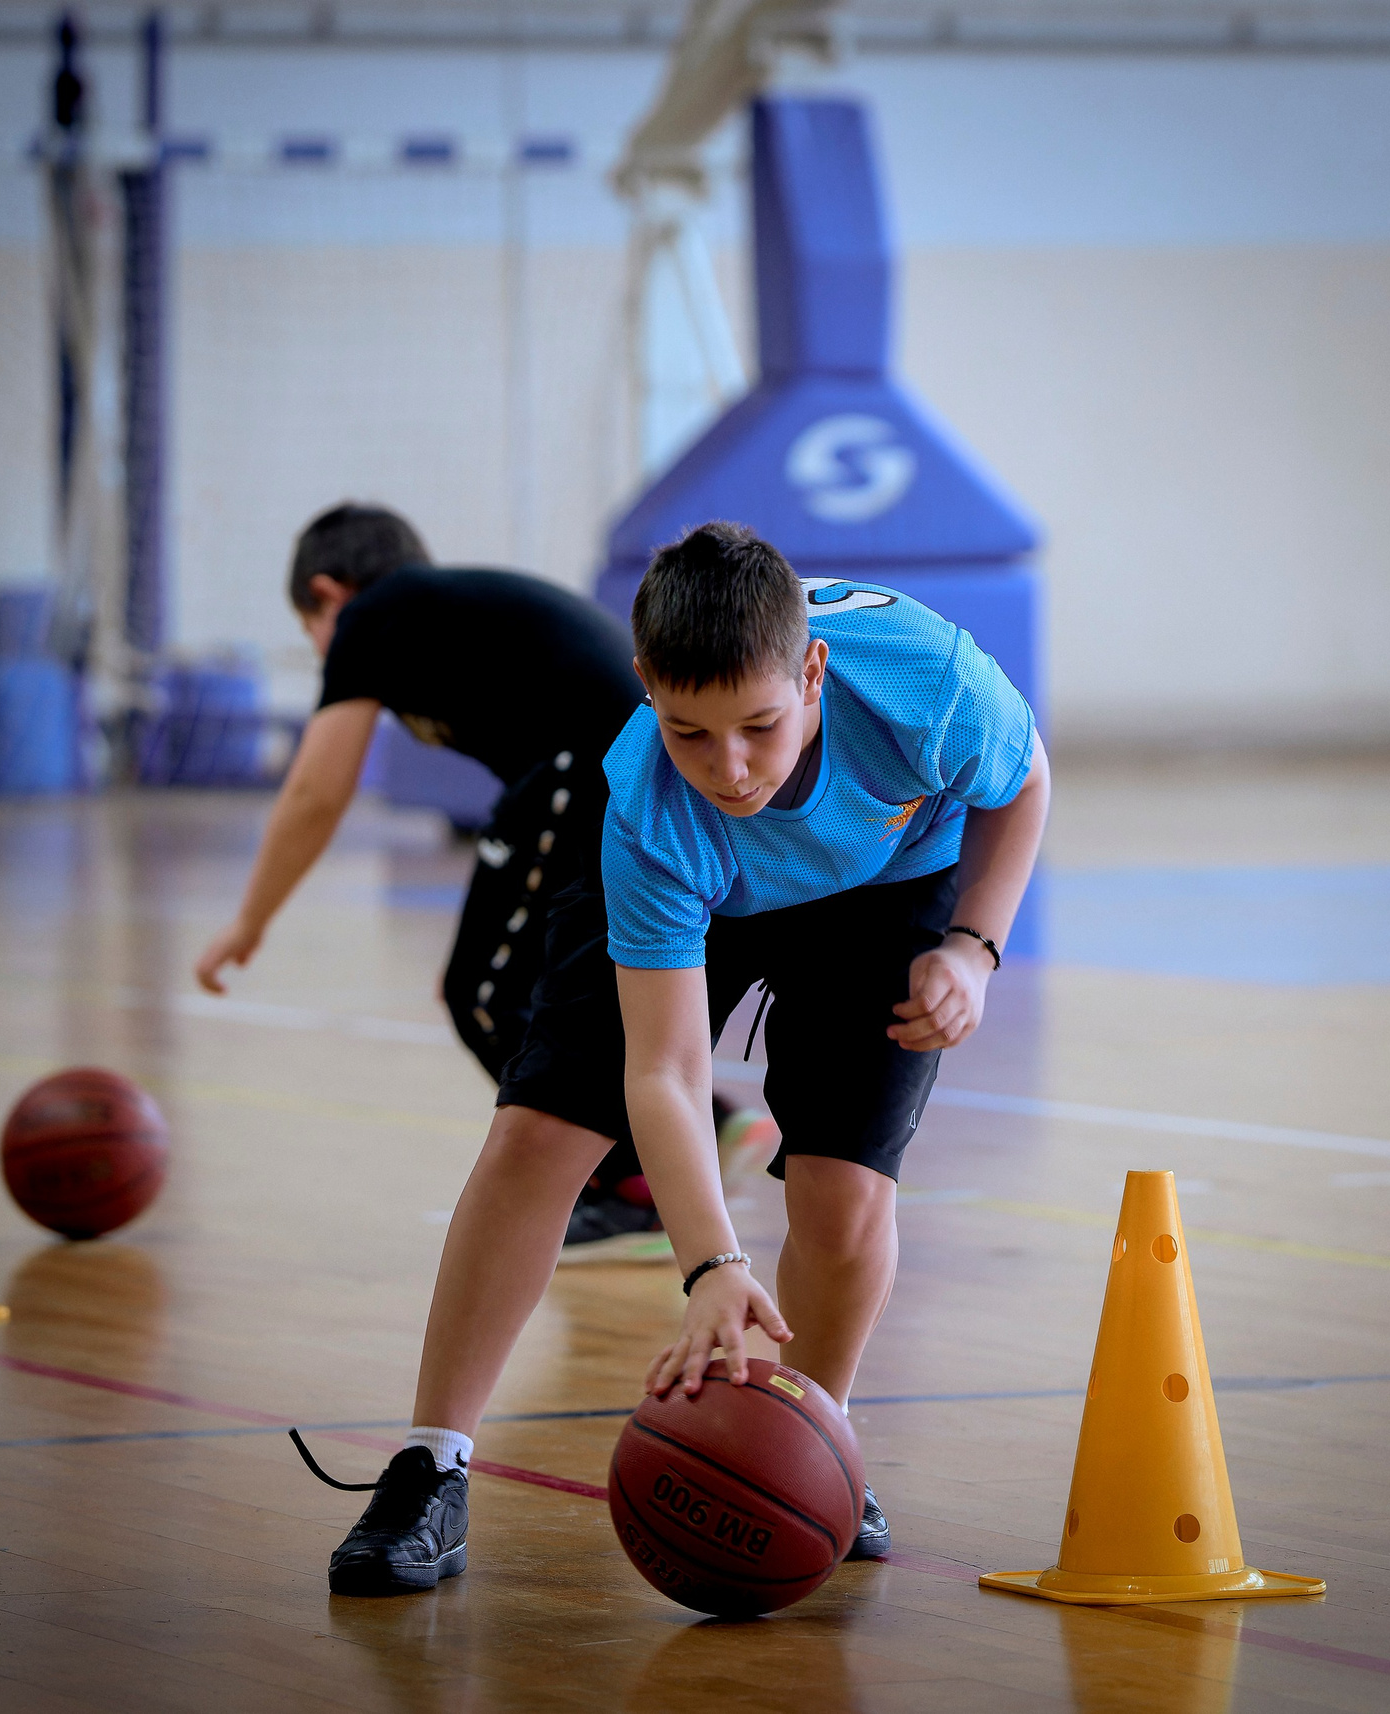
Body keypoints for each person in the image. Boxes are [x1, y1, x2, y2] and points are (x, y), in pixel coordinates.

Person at [311, 520, 1048, 1597]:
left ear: (812, 669)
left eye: (758, 725)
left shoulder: (927, 679)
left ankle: (814, 1441)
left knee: (843, 1201)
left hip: (886, 890)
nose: (730, 768)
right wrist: (711, 1266)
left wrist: (974, 948)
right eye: (690, 730)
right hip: (703, 896)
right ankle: (432, 1462)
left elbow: (1022, 782)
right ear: (648, 686)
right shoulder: (652, 803)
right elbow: (662, 1073)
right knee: (536, 1135)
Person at [191, 503, 775, 1258]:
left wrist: (250, 921)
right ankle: (703, 1121)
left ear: (331, 594)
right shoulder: (440, 615)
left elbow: (315, 793)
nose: (322, 652)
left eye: (311, 632)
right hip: (618, 774)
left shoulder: (375, 614)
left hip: (590, 769)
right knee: (538, 987)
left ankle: (634, 1182)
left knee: (484, 991)